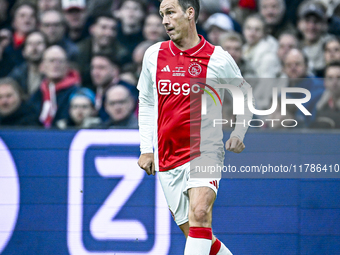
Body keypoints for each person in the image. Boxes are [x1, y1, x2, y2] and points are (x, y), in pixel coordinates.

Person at [137, 0, 253, 254]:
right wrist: (147, 148)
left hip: (205, 150)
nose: (165, 21)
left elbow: (244, 92)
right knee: (198, 235)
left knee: (200, 213)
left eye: (170, 13)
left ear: (190, 13)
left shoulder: (217, 57)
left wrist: (238, 132)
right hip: (168, 156)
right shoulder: (154, 55)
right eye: (161, 15)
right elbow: (146, 101)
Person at [30, 45, 79, 127]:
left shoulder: (76, 93)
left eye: (60, 61)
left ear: (67, 66)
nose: (56, 65)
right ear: (42, 66)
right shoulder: (36, 95)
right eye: (51, 61)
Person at [76, 13, 129, 86]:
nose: (108, 33)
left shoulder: (122, 54)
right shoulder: (78, 51)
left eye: (113, 29)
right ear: (92, 29)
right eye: (103, 27)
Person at [282, 48, 324, 127]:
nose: (293, 68)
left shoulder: (319, 87)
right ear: (283, 69)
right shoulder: (282, 93)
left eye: (297, 64)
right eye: (289, 65)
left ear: (306, 66)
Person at [9, 31, 47, 96]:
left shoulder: (54, 72)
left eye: (39, 43)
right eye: (30, 44)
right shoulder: (17, 74)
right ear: (23, 52)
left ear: (47, 49)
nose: (34, 48)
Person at [297, 1, 332, 74]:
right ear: (299, 24)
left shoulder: (331, 46)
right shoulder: (295, 47)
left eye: (316, 21)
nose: (311, 26)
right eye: (307, 21)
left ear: (324, 25)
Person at [311, 61, 340, 128]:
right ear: (325, 82)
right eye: (330, 78)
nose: (334, 82)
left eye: (338, 78)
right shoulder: (318, 103)